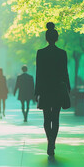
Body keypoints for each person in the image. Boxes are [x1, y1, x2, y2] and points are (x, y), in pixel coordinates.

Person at [35, 22, 70, 157]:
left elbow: (39, 73)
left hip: (45, 89)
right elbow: (64, 72)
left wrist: (36, 91)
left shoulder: (41, 53)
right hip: (57, 89)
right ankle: (52, 142)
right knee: (55, 118)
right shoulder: (62, 53)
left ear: (46, 38)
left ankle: (49, 141)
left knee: (46, 118)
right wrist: (68, 87)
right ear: (56, 38)